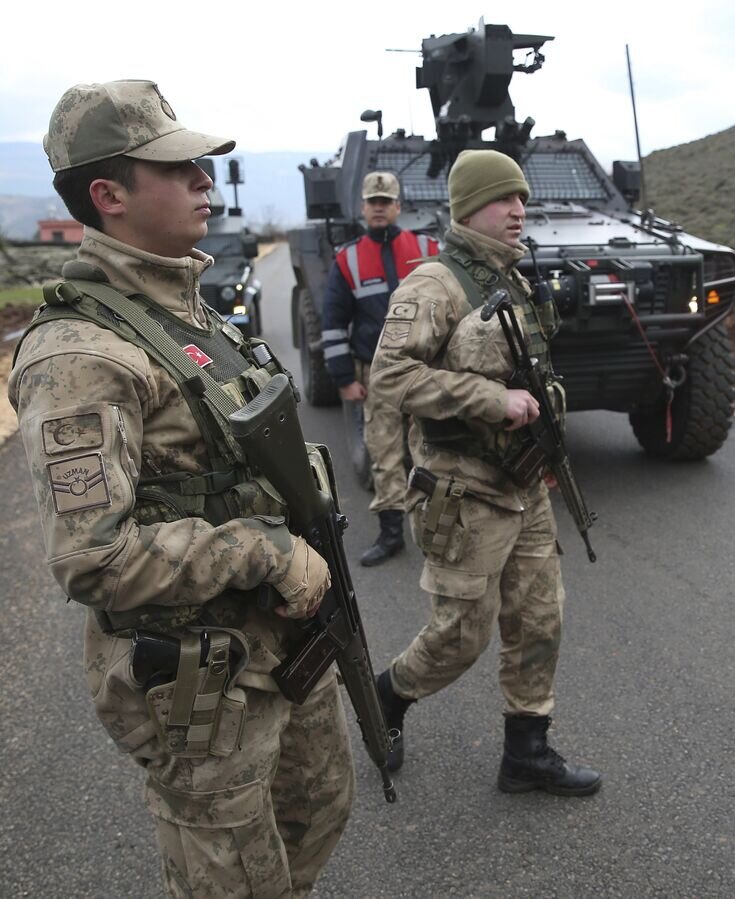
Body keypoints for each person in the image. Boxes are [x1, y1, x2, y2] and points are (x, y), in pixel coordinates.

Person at [10, 80, 354, 897]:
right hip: (204, 679)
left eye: (202, 164)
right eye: (178, 167)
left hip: (281, 645)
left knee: (320, 807)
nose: (205, 179)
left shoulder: (191, 314)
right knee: (234, 880)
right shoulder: (81, 357)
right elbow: (94, 558)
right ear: (109, 195)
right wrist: (266, 553)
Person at [370, 149, 601, 796]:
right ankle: (387, 694)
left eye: (522, 198)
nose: (519, 210)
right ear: (469, 206)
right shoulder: (433, 285)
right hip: (463, 489)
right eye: (505, 199)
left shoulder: (512, 276)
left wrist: (542, 444)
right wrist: (491, 402)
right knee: (461, 633)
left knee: (538, 614)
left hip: (521, 481)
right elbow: (389, 376)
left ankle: (527, 751)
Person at [321, 170, 439, 566]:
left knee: (431, 452)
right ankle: (392, 534)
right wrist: (343, 378)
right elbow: (333, 322)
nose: (379, 207)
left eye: (386, 201)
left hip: (426, 371)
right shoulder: (348, 259)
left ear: (398, 206)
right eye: (373, 201)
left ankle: (435, 530)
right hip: (376, 374)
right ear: (363, 207)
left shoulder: (427, 248)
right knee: (384, 455)